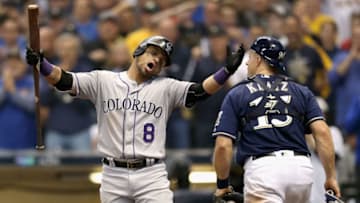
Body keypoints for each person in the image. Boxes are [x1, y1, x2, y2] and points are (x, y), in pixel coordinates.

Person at [26, 35, 245, 203]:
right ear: (138, 51)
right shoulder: (104, 80)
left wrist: (226, 71)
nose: (157, 59)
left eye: (161, 59)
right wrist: (41, 64)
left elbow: (200, 92)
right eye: (153, 53)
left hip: (151, 174)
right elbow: (63, 80)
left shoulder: (166, 87)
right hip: (113, 174)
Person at [212, 36, 340, 203]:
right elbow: (323, 132)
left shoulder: (238, 93)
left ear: (258, 59)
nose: (246, 63)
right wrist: (330, 177)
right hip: (300, 170)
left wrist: (222, 184)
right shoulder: (301, 91)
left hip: (264, 170)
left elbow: (223, 146)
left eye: (250, 57)